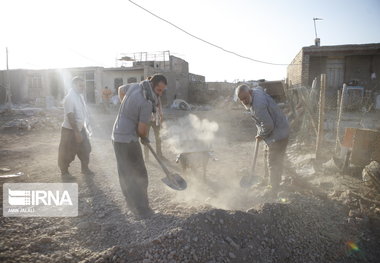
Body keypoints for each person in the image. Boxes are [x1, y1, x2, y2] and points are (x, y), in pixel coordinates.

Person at [112, 74, 167, 219]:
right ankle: (143, 210)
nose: (160, 93)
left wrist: (127, 110)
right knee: (140, 174)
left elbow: (120, 90)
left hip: (116, 134)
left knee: (125, 172)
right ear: (152, 84)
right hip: (128, 139)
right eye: (159, 90)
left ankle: (132, 207)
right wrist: (144, 138)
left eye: (162, 91)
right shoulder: (147, 103)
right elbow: (141, 130)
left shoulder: (136, 86)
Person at [235, 84, 289, 193]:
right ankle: (266, 180)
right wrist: (261, 131)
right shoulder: (255, 92)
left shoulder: (258, 105)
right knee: (266, 156)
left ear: (250, 92)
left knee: (273, 162)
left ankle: (273, 189)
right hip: (275, 131)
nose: (244, 101)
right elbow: (259, 88)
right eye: (241, 100)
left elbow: (268, 125)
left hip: (279, 134)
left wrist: (261, 134)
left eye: (245, 98)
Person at [58, 77, 93, 181]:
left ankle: (85, 169)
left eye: (84, 85)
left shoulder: (80, 96)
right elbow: (70, 115)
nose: (83, 88)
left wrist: (84, 128)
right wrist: (76, 133)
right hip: (70, 130)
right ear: (74, 85)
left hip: (81, 128)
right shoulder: (70, 97)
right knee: (67, 152)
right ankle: (64, 173)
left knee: (86, 148)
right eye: (80, 85)